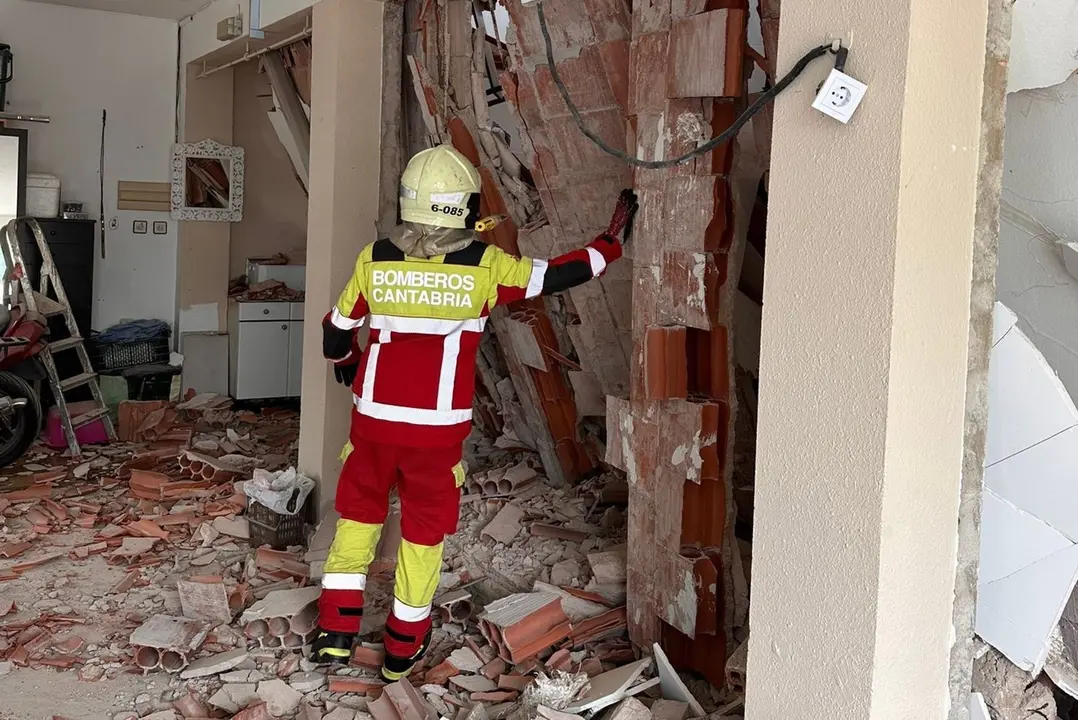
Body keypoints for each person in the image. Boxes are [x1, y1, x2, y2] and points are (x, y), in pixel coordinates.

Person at [311, 143, 637, 680]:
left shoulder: (375, 259)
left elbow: (335, 330)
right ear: (464, 206)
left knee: (358, 521)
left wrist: (347, 359)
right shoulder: (484, 266)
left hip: (372, 426)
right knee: (421, 537)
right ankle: (400, 651)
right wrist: (610, 241)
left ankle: (335, 636)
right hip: (434, 436)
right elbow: (557, 275)